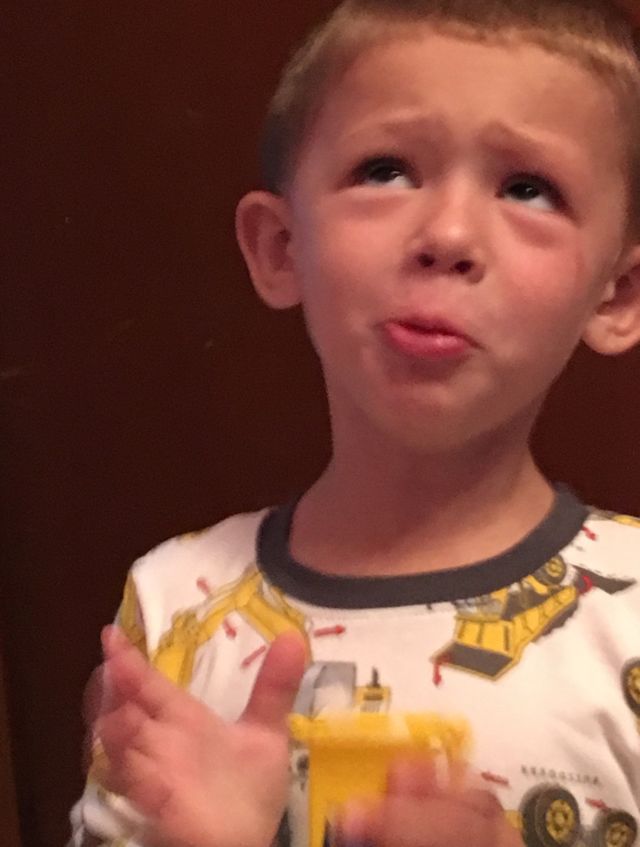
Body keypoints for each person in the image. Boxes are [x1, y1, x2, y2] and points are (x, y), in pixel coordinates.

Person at [69, 0, 640, 845]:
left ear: (617, 295)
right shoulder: (174, 606)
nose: (448, 234)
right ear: (280, 247)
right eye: (386, 170)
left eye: (529, 188)